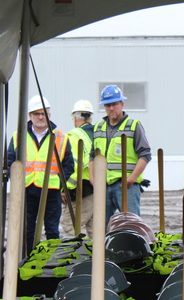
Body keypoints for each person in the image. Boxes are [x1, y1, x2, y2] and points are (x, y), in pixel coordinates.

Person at [7, 95, 74, 254]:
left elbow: (68, 164)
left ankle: (52, 263)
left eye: (44, 113)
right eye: (36, 114)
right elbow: (10, 161)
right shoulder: (19, 136)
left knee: (52, 230)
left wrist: (58, 181)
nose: (40, 117)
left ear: (49, 115)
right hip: (27, 189)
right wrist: (16, 182)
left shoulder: (61, 137)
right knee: (28, 230)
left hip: (51, 190)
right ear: (30, 116)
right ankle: (28, 259)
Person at [90, 85, 151, 225]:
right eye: (108, 105)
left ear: (122, 104)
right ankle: (105, 248)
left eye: (115, 104)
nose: (111, 108)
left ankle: (132, 247)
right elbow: (93, 155)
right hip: (103, 184)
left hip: (126, 185)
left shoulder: (133, 126)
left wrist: (131, 179)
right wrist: (93, 178)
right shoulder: (98, 128)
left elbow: (145, 155)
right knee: (101, 227)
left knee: (131, 225)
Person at [60, 100, 95, 238]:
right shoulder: (99, 133)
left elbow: (74, 165)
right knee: (95, 228)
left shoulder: (73, 135)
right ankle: (98, 258)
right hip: (100, 187)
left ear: (75, 118)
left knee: (70, 225)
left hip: (82, 188)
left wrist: (65, 189)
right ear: (90, 118)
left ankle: (80, 257)